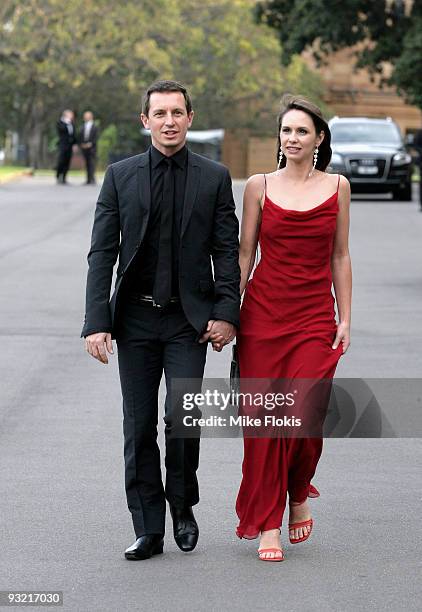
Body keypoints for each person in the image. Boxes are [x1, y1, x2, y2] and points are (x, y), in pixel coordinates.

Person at [82, 80, 240, 560]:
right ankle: (148, 526)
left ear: (190, 118)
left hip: (186, 321)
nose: (169, 121)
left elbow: (226, 252)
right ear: (144, 120)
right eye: (160, 113)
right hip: (133, 320)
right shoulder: (120, 176)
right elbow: (102, 252)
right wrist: (96, 321)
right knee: (138, 425)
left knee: (181, 417)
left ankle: (183, 506)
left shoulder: (214, 177)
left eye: (177, 112)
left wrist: (225, 313)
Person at [234, 94, 352, 562]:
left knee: (305, 413)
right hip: (262, 316)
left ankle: (298, 490)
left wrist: (346, 317)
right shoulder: (258, 185)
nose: (293, 138)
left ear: (319, 138)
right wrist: (229, 310)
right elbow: (245, 255)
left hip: (313, 318)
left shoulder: (338, 186)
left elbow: (340, 255)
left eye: (302, 131)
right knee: (264, 421)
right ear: (279, 138)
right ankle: (268, 523)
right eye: (286, 131)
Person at [56, 109, 76, 184]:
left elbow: (73, 135)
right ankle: (58, 175)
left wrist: (74, 144)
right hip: (62, 145)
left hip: (70, 146)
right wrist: (66, 123)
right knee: (61, 161)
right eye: (70, 114)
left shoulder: (72, 123)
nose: (72, 116)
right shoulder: (60, 122)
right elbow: (61, 130)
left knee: (67, 161)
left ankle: (64, 177)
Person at [79, 111, 98, 184]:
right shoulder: (82, 127)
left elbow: (95, 137)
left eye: (87, 116)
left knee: (91, 163)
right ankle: (88, 179)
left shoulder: (95, 126)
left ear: (91, 117)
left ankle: (92, 178)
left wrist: (90, 144)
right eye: (85, 116)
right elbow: (80, 137)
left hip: (92, 148)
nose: (86, 117)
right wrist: (82, 144)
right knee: (87, 163)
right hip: (84, 148)